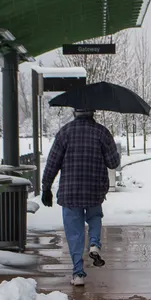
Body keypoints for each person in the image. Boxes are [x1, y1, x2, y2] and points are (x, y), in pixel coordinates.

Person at [41, 109, 120, 286]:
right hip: (94, 189)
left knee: (74, 232)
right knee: (94, 217)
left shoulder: (64, 132)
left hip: (70, 191)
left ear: (75, 112)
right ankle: (94, 244)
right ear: (92, 112)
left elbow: (52, 163)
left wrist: (46, 187)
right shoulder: (102, 132)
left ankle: (78, 273)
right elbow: (113, 163)